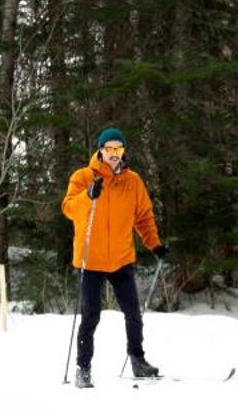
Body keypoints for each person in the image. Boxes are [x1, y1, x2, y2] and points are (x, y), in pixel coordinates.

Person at [63, 127, 169, 389]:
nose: (113, 153)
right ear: (100, 150)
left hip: (121, 258)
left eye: (118, 149)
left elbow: (143, 216)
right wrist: (89, 196)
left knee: (133, 313)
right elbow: (68, 208)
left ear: (123, 151)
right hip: (91, 259)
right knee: (91, 316)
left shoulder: (133, 181)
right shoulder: (83, 176)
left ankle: (138, 360)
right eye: (108, 148)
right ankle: (83, 369)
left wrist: (154, 244)